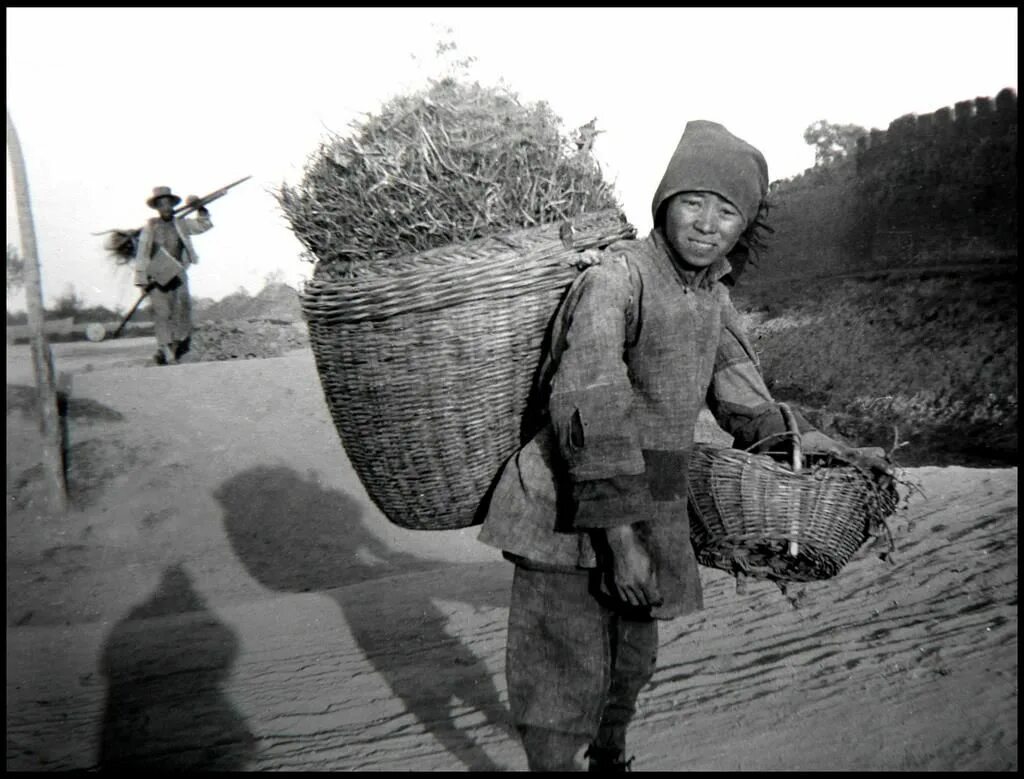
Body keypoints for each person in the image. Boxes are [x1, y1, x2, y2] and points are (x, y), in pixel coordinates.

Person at [477, 120, 894, 772]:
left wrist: (827, 453)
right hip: (566, 505)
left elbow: (748, 402)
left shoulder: (712, 298)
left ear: (743, 225)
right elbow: (589, 403)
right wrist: (621, 543)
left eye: (726, 211)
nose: (706, 223)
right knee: (560, 673)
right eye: (693, 202)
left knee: (631, 662)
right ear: (665, 202)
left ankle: (609, 760)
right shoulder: (617, 280)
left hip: (653, 503)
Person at [132, 185, 213, 365]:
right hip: (156, 277)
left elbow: (204, 225)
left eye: (168, 203)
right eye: (161, 204)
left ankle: (174, 349)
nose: (166, 207)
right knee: (162, 313)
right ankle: (167, 351)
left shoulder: (181, 224)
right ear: (157, 207)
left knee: (181, 311)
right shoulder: (150, 227)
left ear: (173, 205)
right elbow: (142, 254)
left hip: (178, 273)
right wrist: (142, 280)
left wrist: (200, 207)